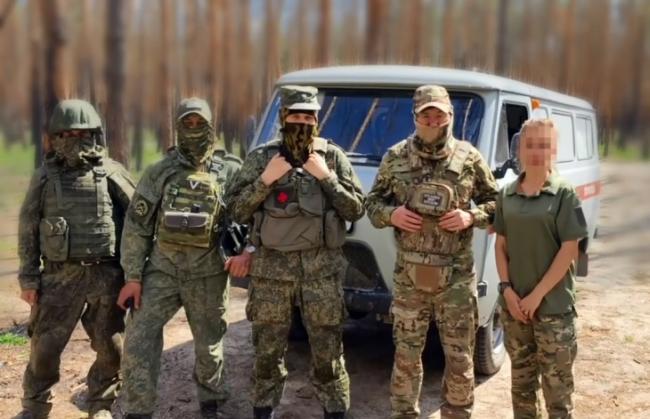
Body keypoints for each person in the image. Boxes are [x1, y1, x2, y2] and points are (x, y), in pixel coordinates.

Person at [225, 85, 365, 419]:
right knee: (267, 350)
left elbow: (356, 209)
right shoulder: (262, 157)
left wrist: (327, 178)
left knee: (328, 351)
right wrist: (265, 180)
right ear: (283, 116)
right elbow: (235, 210)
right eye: (295, 115)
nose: (302, 122)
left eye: (308, 116)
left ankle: (335, 411)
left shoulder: (332, 157)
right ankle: (264, 410)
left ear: (317, 119)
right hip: (271, 273)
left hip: (321, 272)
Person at [365, 85, 498, 419]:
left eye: (439, 114)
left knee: (459, 356)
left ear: (450, 115)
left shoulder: (469, 158)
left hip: (456, 278)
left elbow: (497, 203)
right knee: (406, 356)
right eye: (426, 114)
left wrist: (472, 216)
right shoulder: (395, 157)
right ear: (415, 117)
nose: (433, 120)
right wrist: (391, 214)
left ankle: (457, 413)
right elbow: (373, 203)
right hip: (410, 278)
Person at [117, 97, 250, 419]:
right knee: (139, 339)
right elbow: (137, 226)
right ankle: (138, 411)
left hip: (209, 274)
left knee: (209, 347)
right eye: (187, 124)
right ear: (177, 128)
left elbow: (251, 216)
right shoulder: (160, 171)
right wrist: (132, 277)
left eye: (199, 123)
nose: (193, 129)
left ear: (210, 126)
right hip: (162, 272)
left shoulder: (230, 170)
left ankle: (211, 405)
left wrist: (247, 251)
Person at [17, 99, 135, 419]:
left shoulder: (112, 173)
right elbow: (28, 228)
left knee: (111, 347)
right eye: (66, 133)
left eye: (82, 133)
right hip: (59, 277)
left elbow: (138, 223)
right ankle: (35, 405)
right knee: (44, 347)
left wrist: (136, 275)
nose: (74, 139)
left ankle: (101, 403)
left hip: (107, 277)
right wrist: (29, 279)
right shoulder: (44, 177)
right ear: (55, 136)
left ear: (95, 135)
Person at [494, 118, 587, 419]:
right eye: (530, 144)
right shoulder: (506, 194)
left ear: (553, 150)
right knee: (521, 389)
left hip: (553, 310)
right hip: (515, 308)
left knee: (557, 394)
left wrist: (536, 296)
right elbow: (500, 245)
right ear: (519, 148)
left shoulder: (565, 194)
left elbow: (570, 250)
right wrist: (507, 291)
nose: (536, 151)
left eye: (544, 145)